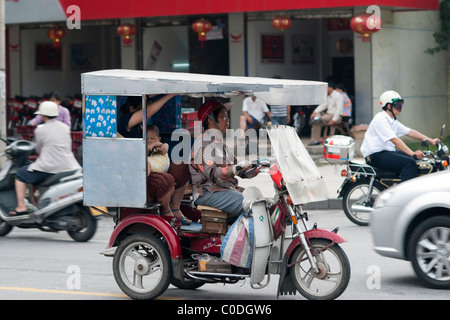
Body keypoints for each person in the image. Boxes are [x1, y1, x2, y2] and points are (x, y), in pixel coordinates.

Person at [189, 100, 260, 222]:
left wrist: (255, 167)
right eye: (223, 116)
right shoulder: (203, 143)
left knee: (260, 201)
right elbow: (211, 172)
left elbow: (238, 169)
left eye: (227, 116)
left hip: (224, 189)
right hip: (207, 191)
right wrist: (234, 169)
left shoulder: (221, 144)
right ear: (210, 120)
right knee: (252, 206)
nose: (227, 119)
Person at [10, 101, 81, 215]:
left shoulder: (40, 129)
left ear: (43, 115)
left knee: (20, 174)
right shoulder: (65, 128)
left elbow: (38, 149)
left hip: (49, 167)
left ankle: (21, 206)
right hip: (70, 165)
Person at [360, 90, 440, 182]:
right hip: (375, 157)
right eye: (397, 105)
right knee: (409, 163)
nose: (400, 107)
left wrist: (431, 140)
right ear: (389, 106)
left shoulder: (392, 120)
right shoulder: (380, 119)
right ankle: (405, 194)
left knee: (418, 160)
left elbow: (410, 132)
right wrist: (413, 153)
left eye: (401, 104)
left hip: (386, 153)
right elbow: (395, 140)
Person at [146, 124, 191, 225]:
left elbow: (164, 148)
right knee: (167, 178)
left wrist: (155, 145)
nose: (149, 141)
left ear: (159, 139)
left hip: (164, 170)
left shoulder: (162, 146)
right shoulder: (143, 150)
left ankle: (175, 207)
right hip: (152, 177)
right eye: (146, 138)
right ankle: (165, 209)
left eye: (152, 138)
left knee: (184, 166)